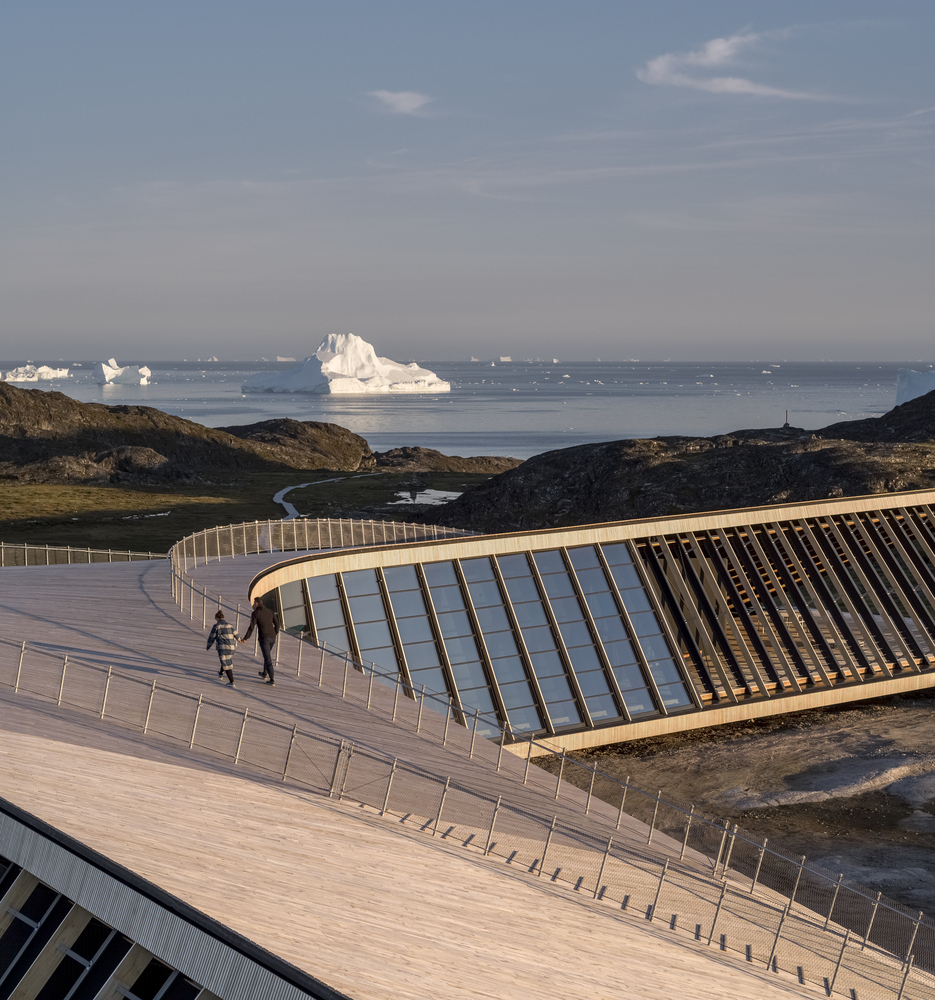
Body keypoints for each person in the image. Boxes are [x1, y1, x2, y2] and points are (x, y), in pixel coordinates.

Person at [241, 596, 280, 685]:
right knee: (267, 656)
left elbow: (251, 627)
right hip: (272, 638)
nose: (253, 604)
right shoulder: (270, 611)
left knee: (268, 659)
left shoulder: (256, 613)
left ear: (257, 603)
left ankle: (272, 680)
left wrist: (245, 638)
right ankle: (264, 673)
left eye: (254, 603)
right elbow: (277, 624)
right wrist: (275, 633)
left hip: (264, 639)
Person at [206, 610, 237, 687]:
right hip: (232, 648)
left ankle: (232, 682)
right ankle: (220, 673)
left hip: (223, 648)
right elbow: (236, 634)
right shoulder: (230, 625)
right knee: (225, 660)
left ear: (217, 618)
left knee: (226, 664)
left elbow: (211, 638)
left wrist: (208, 646)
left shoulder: (216, 626)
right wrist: (241, 640)